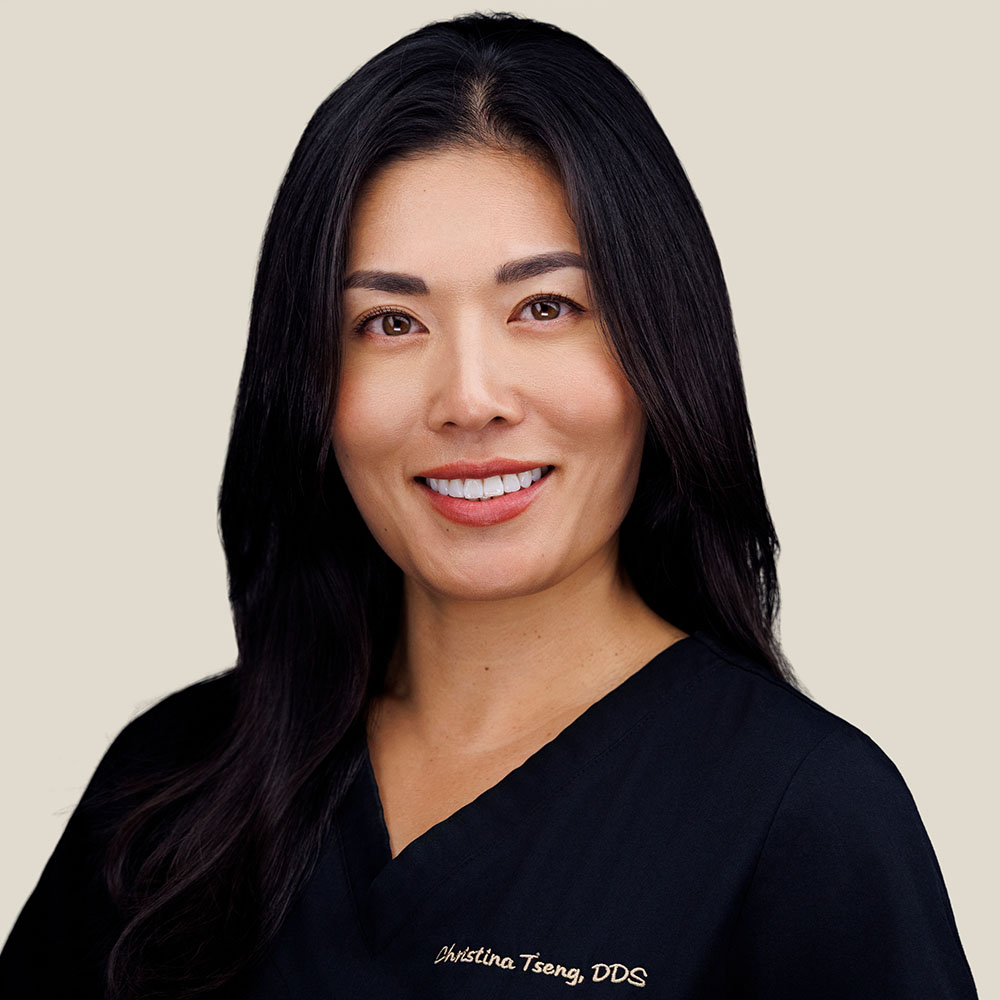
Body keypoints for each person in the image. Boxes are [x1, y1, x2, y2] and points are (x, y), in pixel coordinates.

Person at [0, 11, 979, 999]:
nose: (469, 399)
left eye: (545, 308)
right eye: (390, 321)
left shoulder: (804, 814)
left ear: (663, 349)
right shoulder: (173, 778)